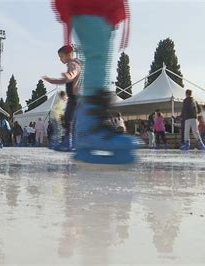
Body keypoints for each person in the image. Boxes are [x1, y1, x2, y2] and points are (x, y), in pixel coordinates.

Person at [51, 0, 139, 164]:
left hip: (100, 9)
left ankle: (89, 126)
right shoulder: (73, 63)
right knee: (97, 57)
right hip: (92, 7)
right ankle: (90, 128)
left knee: (100, 58)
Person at [43, 45, 81, 152]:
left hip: (75, 97)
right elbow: (63, 81)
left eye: (61, 56)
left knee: (69, 119)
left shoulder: (73, 64)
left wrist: (69, 76)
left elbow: (73, 74)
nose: (60, 59)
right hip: (75, 97)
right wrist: (52, 80)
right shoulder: (74, 64)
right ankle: (73, 143)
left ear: (69, 55)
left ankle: (68, 143)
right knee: (72, 120)